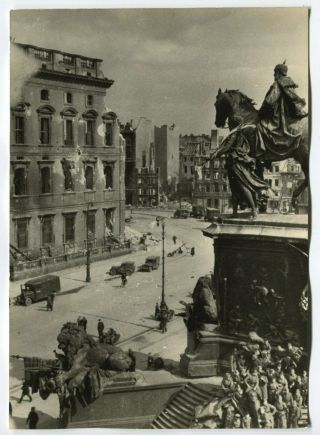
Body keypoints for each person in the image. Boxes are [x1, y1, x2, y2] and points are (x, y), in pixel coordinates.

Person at [258, 62, 307, 159]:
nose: (274, 75)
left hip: (279, 119)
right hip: (290, 117)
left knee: (259, 127)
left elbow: (269, 102)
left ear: (279, 72)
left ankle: (261, 154)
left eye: (275, 72)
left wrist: (261, 113)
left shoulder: (278, 83)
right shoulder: (290, 84)